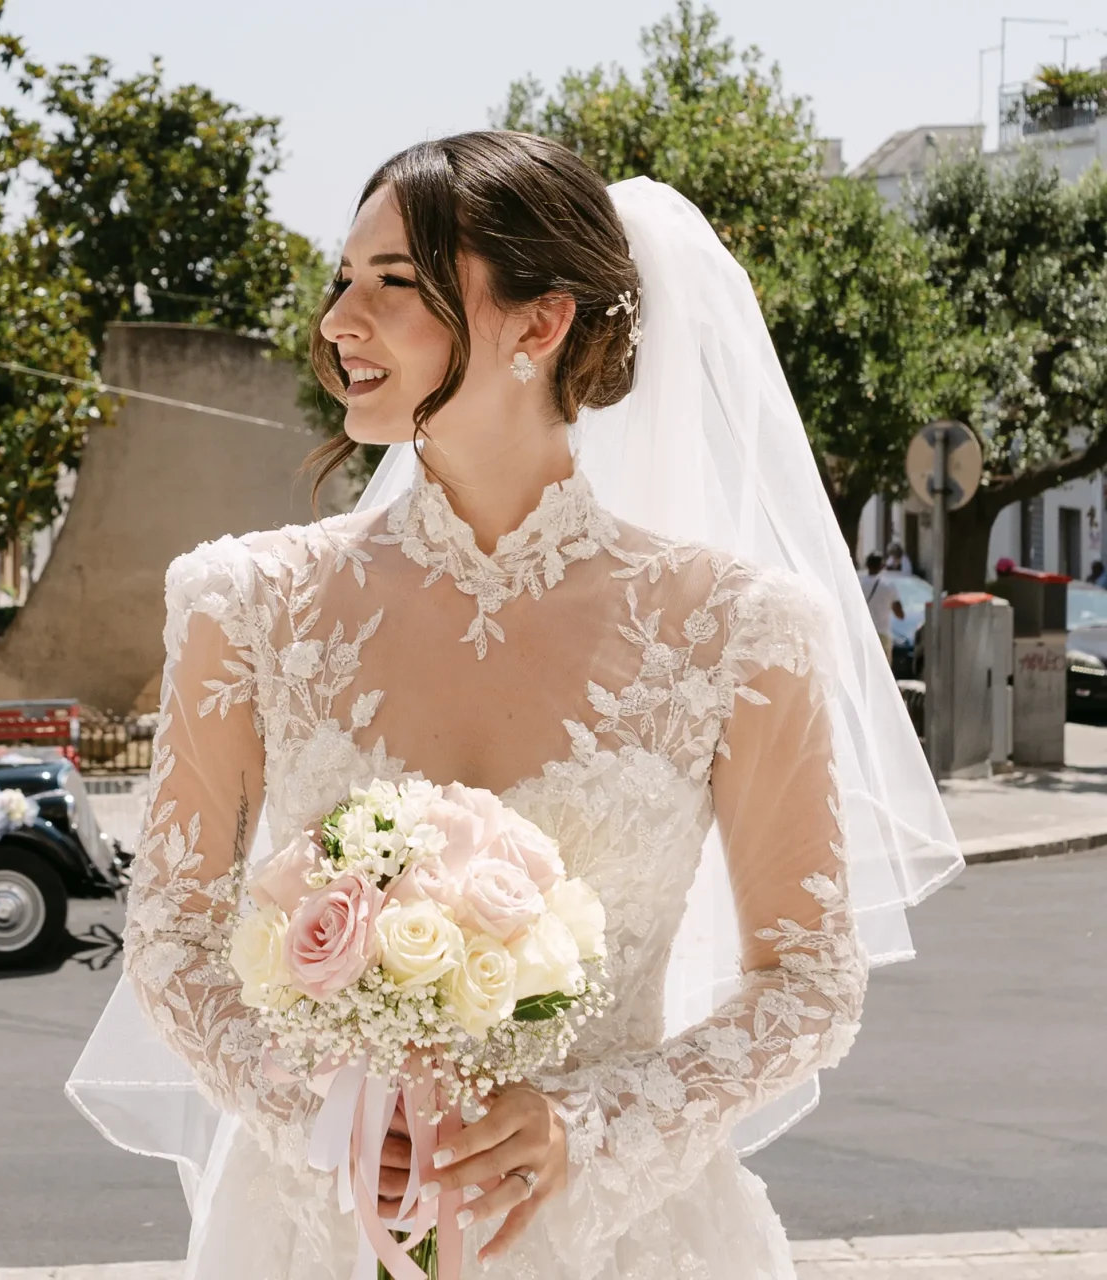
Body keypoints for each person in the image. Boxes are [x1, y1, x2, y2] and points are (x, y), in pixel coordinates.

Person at [69, 132, 963, 1279]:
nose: (339, 320)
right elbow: (172, 944)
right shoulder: (244, 606)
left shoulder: (739, 629)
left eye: (394, 282)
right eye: (343, 279)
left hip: (623, 1240)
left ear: (540, 324)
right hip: (322, 1231)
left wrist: (586, 1128)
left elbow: (809, 985)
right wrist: (324, 1119)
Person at [861, 551, 906, 661]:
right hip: (883, 634)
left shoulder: (859, 584)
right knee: (883, 669)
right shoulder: (888, 585)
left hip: (864, 634)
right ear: (882, 565)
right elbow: (900, 614)